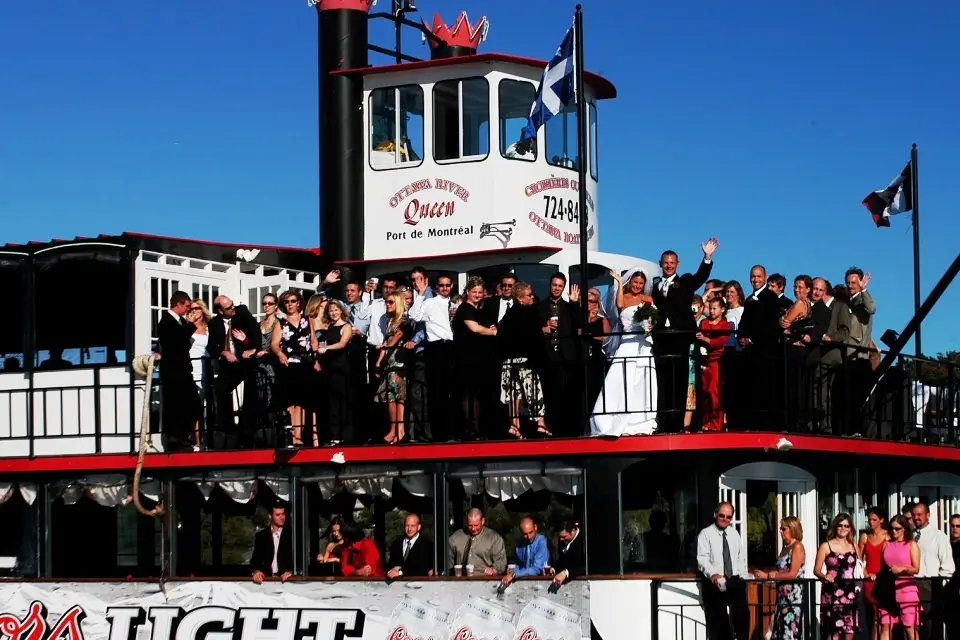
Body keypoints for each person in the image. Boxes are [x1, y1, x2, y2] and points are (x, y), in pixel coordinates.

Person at [651, 239, 718, 433]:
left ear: (677, 264)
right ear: (660, 263)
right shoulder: (656, 286)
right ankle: (663, 423)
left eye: (672, 263)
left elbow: (701, 276)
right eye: (666, 262)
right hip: (662, 339)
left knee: (679, 381)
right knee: (663, 381)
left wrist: (707, 257)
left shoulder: (686, 281)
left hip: (680, 338)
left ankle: (677, 424)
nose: (669, 265)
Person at [590, 268, 657, 436]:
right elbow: (619, 305)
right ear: (630, 281)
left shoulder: (648, 299)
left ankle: (640, 422)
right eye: (635, 282)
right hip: (627, 343)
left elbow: (654, 319)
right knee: (621, 380)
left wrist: (650, 324)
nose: (638, 286)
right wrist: (620, 283)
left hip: (643, 344)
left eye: (641, 283)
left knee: (642, 381)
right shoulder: (624, 297)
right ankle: (613, 421)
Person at [696, 501, 749, 640]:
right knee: (720, 624)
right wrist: (712, 574)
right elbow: (702, 559)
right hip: (716, 582)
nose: (725, 519)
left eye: (729, 517)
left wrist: (743, 575)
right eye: (722, 516)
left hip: (733, 580)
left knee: (742, 617)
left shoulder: (734, 533)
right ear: (715, 515)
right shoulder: (705, 534)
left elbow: (740, 558)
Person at [755, 517, 806, 640]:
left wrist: (767, 576)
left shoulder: (797, 546)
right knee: (779, 631)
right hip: (782, 597)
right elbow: (781, 571)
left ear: (793, 529)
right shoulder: (785, 548)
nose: (781, 532)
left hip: (793, 598)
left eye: (784, 529)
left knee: (789, 632)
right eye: (780, 529)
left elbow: (792, 574)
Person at [448, 508, 507, 576]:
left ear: (482, 521)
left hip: (484, 580)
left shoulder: (494, 538)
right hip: (461, 580)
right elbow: (448, 561)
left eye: (476, 525)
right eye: (470, 525)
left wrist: (493, 570)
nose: (473, 529)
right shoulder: (456, 537)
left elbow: (501, 563)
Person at [500, 517, 550, 588]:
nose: (529, 536)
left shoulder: (541, 542)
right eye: (525, 534)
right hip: (523, 582)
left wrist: (514, 574)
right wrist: (511, 571)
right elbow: (518, 565)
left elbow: (536, 569)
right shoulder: (519, 544)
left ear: (535, 527)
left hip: (540, 582)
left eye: (531, 532)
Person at [250, 505, 293, 584]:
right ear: (270, 516)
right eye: (278, 515)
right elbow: (255, 560)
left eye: (283, 514)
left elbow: (300, 559)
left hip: (287, 581)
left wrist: (291, 572)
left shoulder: (292, 535)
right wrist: (257, 571)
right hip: (266, 581)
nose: (282, 517)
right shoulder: (261, 536)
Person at [386, 513, 434, 578]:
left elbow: (423, 569)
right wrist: (390, 571)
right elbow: (390, 565)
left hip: (418, 585)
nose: (409, 529)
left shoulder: (427, 545)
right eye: (407, 525)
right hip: (396, 585)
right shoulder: (397, 543)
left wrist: (400, 572)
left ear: (419, 527)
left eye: (412, 526)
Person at [551, 520, 585, 588]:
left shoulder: (584, 541)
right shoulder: (562, 540)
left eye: (564, 537)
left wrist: (566, 573)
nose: (561, 539)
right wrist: (553, 568)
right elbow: (560, 559)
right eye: (560, 536)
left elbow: (584, 567)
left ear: (573, 531)